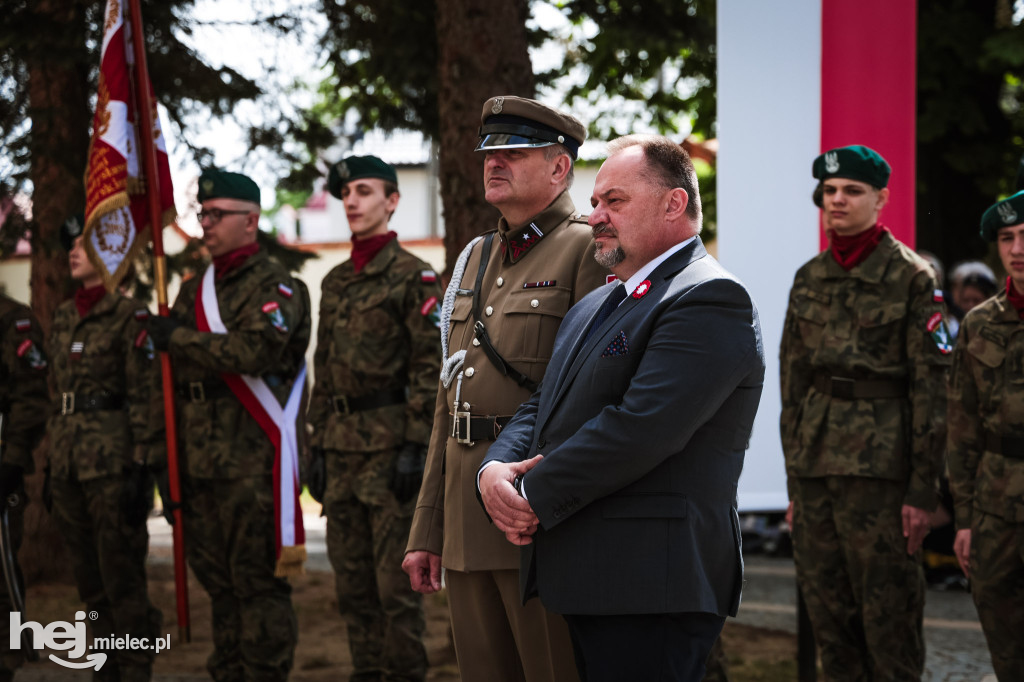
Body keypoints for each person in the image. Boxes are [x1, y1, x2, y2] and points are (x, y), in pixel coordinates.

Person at [478, 134, 765, 682]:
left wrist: (528, 495)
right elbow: (543, 403)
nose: (595, 217)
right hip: (591, 574)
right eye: (594, 202)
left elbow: (642, 428)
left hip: (652, 583)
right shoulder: (597, 303)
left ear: (673, 204)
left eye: (615, 201)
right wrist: (493, 469)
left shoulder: (708, 297)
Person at [402, 96, 607, 682]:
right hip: (468, 522)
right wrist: (429, 528)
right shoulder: (474, 258)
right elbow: (451, 404)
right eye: (489, 152)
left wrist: (552, 502)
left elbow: (591, 397)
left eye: (513, 152)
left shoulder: (586, 249)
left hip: (533, 515)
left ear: (560, 167)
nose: (494, 162)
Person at [780, 145, 951, 681]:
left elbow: (931, 389)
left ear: (880, 199)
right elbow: (793, 383)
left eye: (851, 191)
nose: (837, 200)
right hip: (815, 470)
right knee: (831, 620)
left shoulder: (911, 277)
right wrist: (794, 483)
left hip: (883, 475)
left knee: (889, 621)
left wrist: (923, 493)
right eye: (829, 191)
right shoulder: (809, 277)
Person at [148, 169, 311, 681]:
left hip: (251, 463)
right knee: (218, 586)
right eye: (203, 214)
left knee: (258, 586)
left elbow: (255, 350)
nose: (206, 224)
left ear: (251, 220)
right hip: (198, 463)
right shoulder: (194, 286)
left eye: (217, 214)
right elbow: (168, 380)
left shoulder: (277, 285)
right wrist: (163, 460)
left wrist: (178, 339)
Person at [306, 155, 442, 682]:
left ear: (391, 201)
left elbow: (430, 368)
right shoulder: (336, 280)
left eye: (365, 191)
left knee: (394, 594)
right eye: (346, 193)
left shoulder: (413, 275)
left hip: (389, 455)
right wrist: (316, 445)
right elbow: (324, 366)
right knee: (354, 592)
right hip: (339, 454)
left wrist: (414, 446)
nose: (352, 201)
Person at [47, 220, 164, 682]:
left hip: (114, 466)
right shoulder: (61, 317)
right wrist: (53, 467)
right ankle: (105, 668)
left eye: (83, 244)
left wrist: (143, 466)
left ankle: (135, 668)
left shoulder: (129, 316)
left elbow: (146, 394)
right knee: (90, 586)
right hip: (68, 465)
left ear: (110, 256)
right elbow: (57, 393)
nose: (73, 251)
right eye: (71, 244)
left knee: (123, 583)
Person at [947, 189, 1024, 681]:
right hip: (998, 516)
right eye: (1006, 237)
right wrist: (966, 519)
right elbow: (963, 428)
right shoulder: (978, 324)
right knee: (1008, 653)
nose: (1016, 248)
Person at [0, 291, 49, 681]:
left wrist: (13, 462)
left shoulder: (14, 320)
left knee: (1, 577)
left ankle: (5, 661)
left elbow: (30, 399)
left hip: (1, 462)